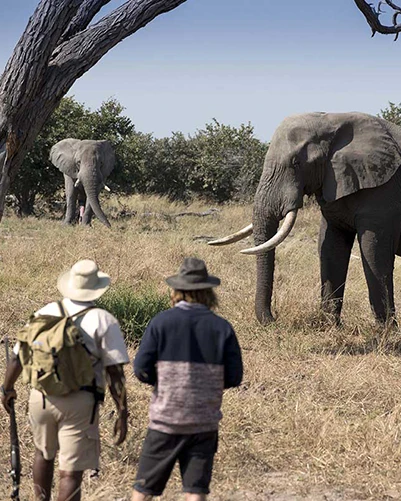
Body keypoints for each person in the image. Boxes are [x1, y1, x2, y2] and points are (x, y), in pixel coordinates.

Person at [1, 259, 130, 501]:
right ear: (97, 288)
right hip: (80, 401)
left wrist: (6, 389)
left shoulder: (45, 312)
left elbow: (18, 358)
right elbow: (115, 374)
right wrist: (122, 411)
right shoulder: (103, 319)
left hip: (40, 396)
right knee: (70, 472)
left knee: (42, 454)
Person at [132, 257, 243, 501]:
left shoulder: (160, 322)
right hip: (204, 423)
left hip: (165, 421)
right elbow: (235, 377)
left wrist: (166, 383)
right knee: (195, 492)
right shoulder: (222, 327)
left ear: (177, 290)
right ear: (208, 292)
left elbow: (140, 369)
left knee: (143, 489)